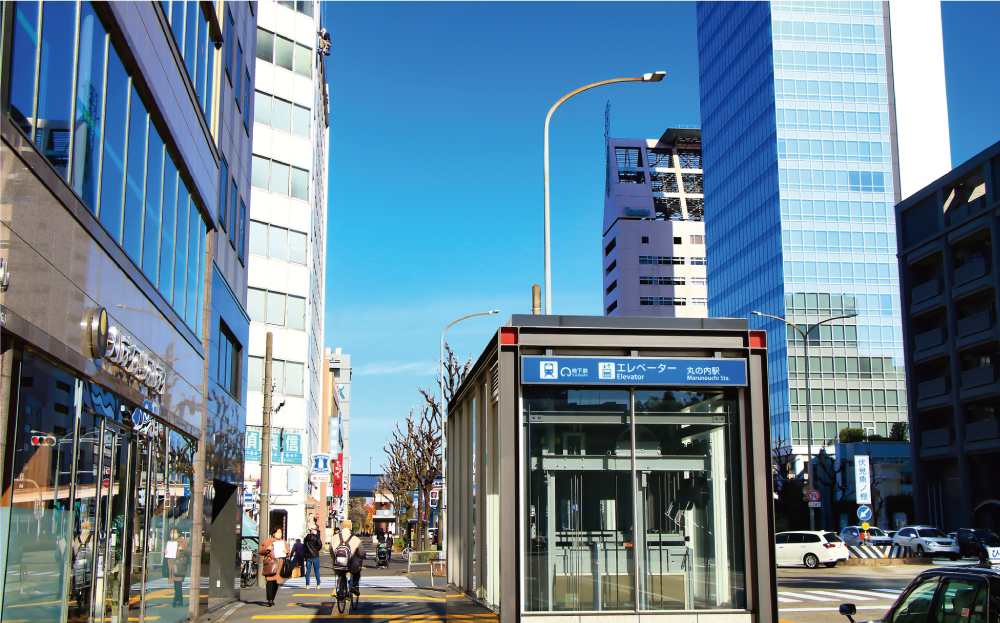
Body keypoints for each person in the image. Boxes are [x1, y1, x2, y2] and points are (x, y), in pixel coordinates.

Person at [331, 519, 365, 595]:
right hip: (351, 565)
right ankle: (354, 585)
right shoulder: (355, 538)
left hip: (337, 564)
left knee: (341, 573)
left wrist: (334, 559)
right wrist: (362, 556)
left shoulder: (334, 537)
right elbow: (362, 553)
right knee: (357, 573)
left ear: (342, 527)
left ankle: (340, 588)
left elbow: (331, 552)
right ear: (350, 528)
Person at [259, 526, 289, 607]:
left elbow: (289, 552)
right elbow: (260, 551)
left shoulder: (283, 542)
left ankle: (272, 598)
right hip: (270, 564)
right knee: (269, 581)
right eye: (278, 532)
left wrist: (286, 552)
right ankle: (269, 599)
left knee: (276, 582)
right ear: (274, 533)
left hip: (279, 564)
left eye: (280, 533)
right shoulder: (268, 541)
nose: (279, 534)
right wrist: (267, 549)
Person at [167, 529, 189, 608]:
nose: (172, 534)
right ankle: (180, 599)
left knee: (178, 584)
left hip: (179, 566)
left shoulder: (183, 542)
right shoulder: (169, 542)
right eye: (171, 532)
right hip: (172, 566)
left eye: (174, 532)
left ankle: (175, 600)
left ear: (179, 533)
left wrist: (182, 549)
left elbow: (189, 551)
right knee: (176, 585)